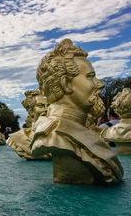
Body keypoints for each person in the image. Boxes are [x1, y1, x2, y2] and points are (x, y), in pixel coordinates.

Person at [30, 39, 123, 185]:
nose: (100, 84)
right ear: (66, 84)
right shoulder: (55, 134)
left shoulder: (77, 130)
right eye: (90, 76)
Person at [7, 89, 50, 160]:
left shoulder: (61, 136)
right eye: (40, 106)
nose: (46, 109)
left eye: (48, 105)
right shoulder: (17, 138)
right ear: (31, 111)